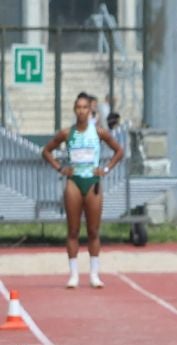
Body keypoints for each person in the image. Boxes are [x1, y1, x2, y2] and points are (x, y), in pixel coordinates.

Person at [41, 92, 124, 289]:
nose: (81, 111)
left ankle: (94, 274)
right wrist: (61, 168)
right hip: (74, 181)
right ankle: (73, 274)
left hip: (93, 181)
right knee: (73, 230)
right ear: (74, 109)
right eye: (78, 107)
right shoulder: (66, 133)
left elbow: (119, 151)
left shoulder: (99, 132)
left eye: (85, 107)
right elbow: (46, 151)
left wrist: (105, 169)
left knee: (94, 230)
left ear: (90, 110)